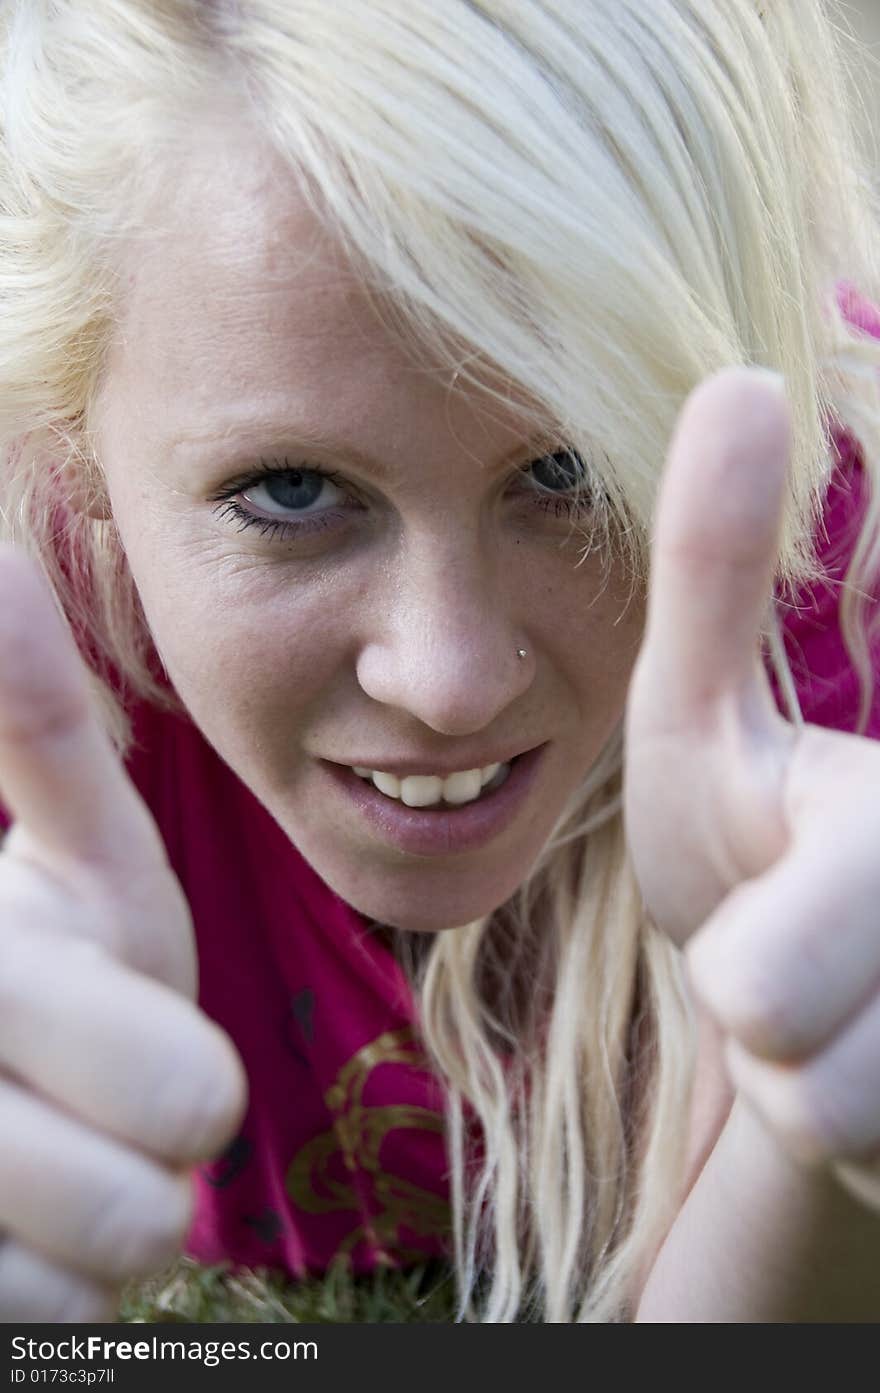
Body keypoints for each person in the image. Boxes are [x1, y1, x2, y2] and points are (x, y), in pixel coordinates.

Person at [1, 0, 879, 1324]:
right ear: (75, 444)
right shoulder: (38, 659)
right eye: (291, 490)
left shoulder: (828, 598)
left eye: (569, 468)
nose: (449, 677)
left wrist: (805, 1130)